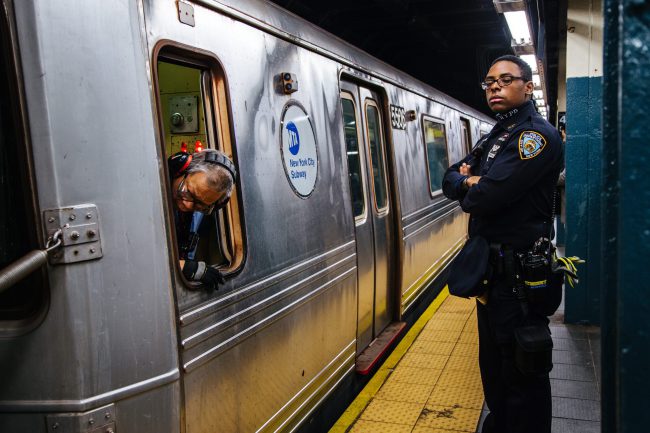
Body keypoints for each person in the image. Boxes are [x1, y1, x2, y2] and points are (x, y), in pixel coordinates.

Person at [442, 55, 563, 433]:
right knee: (494, 371)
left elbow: (486, 198)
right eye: (489, 81)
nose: (494, 86)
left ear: (527, 87)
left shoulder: (535, 136)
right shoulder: (496, 135)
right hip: (492, 278)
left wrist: (474, 183)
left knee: (521, 375)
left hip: (519, 281)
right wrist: (468, 182)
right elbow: (448, 178)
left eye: (506, 79)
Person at [168, 148, 236, 289]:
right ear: (180, 170)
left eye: (200, 205)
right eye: (188, 192)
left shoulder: (197, 214)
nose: (186, 205)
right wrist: (185, 267)